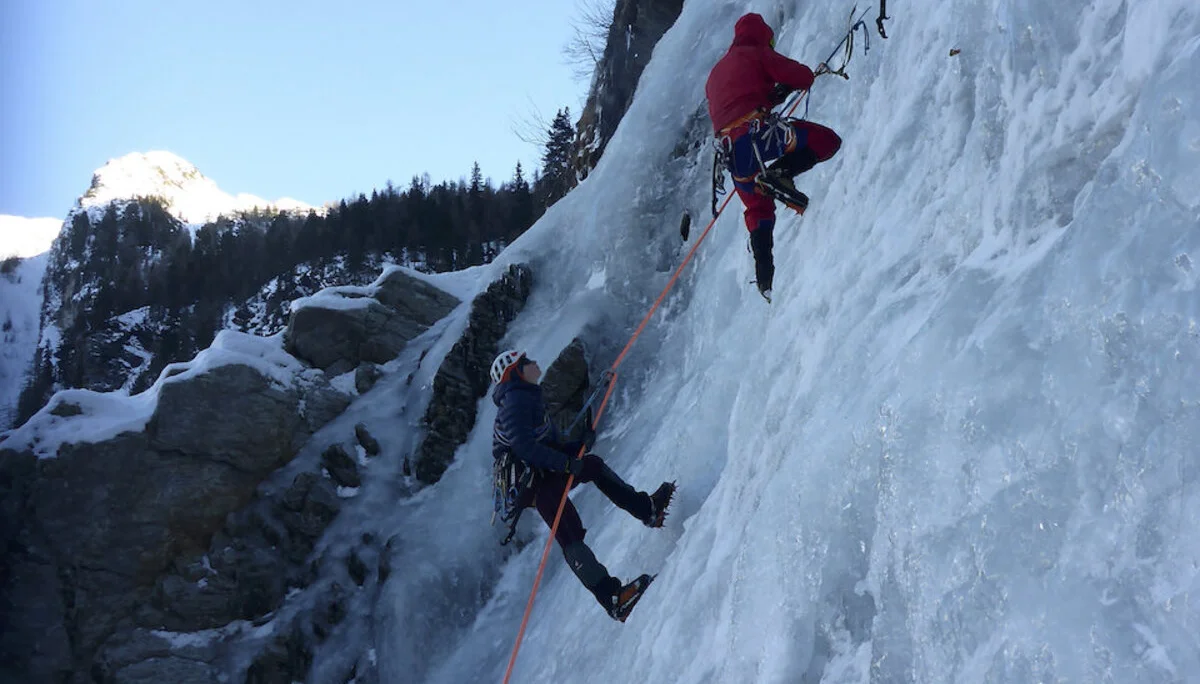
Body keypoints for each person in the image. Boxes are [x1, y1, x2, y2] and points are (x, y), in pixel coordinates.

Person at [490, 349, 675, 621]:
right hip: (536, 485)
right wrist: (566, 464)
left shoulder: (527, 396)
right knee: (569, 533)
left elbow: (546, 443)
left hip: (542, 473)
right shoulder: (514, 400)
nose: (535, 362)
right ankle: (612, 599)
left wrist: (577, 447)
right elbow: (524, 446)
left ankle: (648, 509)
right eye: (526, 362)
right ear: (515, 372)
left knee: (592, 466)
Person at [705, 12, 843, 299]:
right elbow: (803, 76)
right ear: (762, 36)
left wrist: (769, 96)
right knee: (826, 141)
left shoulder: (715, 74)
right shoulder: (755, 53)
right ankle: (780, 173)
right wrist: (782, 85)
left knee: (757, 207)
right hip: (759, 136)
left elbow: (734, 102)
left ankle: (764, 274)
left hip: (733, 156)